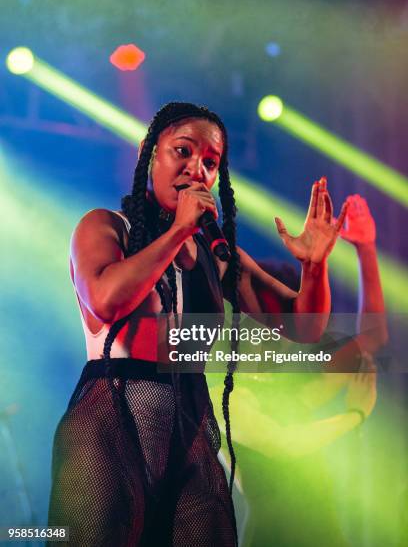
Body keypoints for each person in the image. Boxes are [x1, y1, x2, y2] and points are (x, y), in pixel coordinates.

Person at [47, 102, 347, 547]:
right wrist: (178, 233)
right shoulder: (107, 227)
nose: (197, 169)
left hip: (189, 426)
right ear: (150, 154)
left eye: (210, 163)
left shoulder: (217, 255)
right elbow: (107, 299)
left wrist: (316, 266)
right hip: (112, 421)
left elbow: (303, 326)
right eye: (182, 151)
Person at [208, 194, 386, 546]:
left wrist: (365, 249)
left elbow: (371, 339)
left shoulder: (292, 385)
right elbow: (283, 444)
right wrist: (355, 414)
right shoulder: (223, 394)